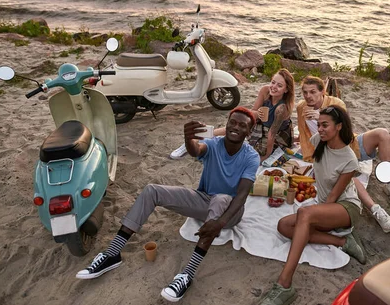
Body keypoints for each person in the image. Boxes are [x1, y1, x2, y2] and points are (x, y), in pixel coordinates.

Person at [75, 107, 260, 303]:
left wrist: (220, 223)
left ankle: (186, 275)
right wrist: (189, 139)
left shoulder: (251, 156)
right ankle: (112, 254)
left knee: (222, 198)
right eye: (233, 122)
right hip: (205, 201)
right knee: (152, 190)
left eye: (242, 125)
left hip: (230, 213)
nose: (235, 127)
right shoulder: (214, 143)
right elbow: (197, 150)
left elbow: (241, 195)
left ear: (249, 132)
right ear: (227, 123)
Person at [258, 105, 366, 305]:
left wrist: (313, 217)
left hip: (345, 207)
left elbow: (333, 196)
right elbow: (317, 173)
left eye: (325, 125)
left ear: (339, 126)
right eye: (319, 125)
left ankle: (284, 284)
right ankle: (343, 242)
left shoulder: (349, 159)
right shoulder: (318, 142)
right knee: (283, 226)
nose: (320, 129)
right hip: (323, 205)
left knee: (304, 214)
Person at [296, 76, 390, 231]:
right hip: (328, 152)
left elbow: (344, 133)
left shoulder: (336, 104)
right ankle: (377, 210)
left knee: (382, 134)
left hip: (347, 144)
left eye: (312, 92)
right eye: (305, 92)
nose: (308, 96)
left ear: (323, 92)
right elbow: (305, 135)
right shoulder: (301, 107)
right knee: (350, 178)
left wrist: (321, 116)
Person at [169, 68, 295, 162]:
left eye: (279, 85)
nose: (274, 87)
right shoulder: (265, 90)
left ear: (286, 89)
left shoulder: (282, 108)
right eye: (273, 82)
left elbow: (272, 135)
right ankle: (195, 137)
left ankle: (203, 142)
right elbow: (253, 112)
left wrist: (265, 157)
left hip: (275, 136)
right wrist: (257, 113)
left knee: (240, 150)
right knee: (235, 126)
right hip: (261, 126)